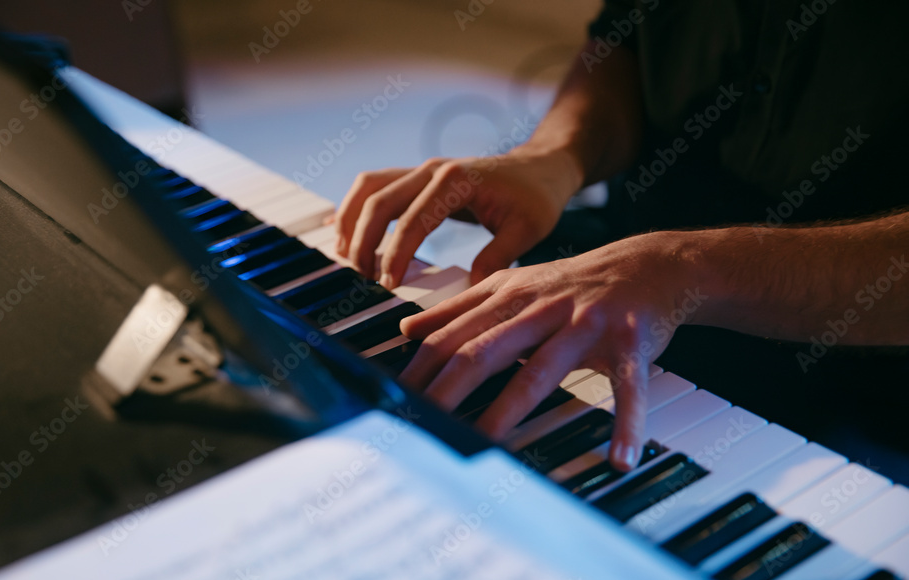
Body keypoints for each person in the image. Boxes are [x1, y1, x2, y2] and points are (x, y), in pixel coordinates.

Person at [330, 1, 909, 471]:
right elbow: (629, 42)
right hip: (624, 278)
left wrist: (682, 268)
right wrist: (554, 156)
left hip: (864, 386)